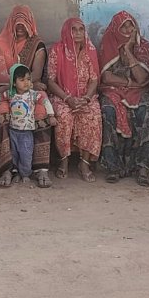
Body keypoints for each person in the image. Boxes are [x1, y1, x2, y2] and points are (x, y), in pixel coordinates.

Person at [0, 6, 53, 188]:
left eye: (23, 25)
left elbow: (36, 75)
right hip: (6, 90)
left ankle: (41, 170)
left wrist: (27, 84)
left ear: (30, 25)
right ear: (10, 25)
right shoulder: (0, 44)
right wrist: (15, 87)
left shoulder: (36, 44)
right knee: (1, 113)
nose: (20, 29)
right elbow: (0, 76)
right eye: (16, 25)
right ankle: (7, 169)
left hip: (29, 89)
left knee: (41, 112)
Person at [98, 11, 149, 186]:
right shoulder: (107, 44)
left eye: (130, 25)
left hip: (138, 92)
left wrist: (128, 51)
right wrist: (128, 82)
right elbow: (107, 78)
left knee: (147, 111)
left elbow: (142, 79)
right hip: (113, 90)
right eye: (123, 25)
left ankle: (141, 166)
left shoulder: (143, 47)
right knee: (107, 110)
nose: (127, 29)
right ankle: (113, 167)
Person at [46, 17, 102, 182]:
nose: (78, 33)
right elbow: (50, 80)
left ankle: (84, 163)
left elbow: (94, 79)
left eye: (81, 29)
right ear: (67, 31)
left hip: (86, 97)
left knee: (93, 115)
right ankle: (63, 161)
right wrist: (67, 98)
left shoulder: (89, 49)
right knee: (63, 116)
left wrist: (86, 98)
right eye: (74, 29)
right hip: (63, 97)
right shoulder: (57, 50)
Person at [0, 64, 56, 184]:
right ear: (14, 83)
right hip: (13, 130)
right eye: (22, 80)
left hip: (26, 132)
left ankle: (25, 174)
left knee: (26, 154)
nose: (26, 82)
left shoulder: (33, 94)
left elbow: (46, 102)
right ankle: (16, 173)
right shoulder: (10, 94)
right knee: (14, 154)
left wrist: (51, 116)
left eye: (28, 79)